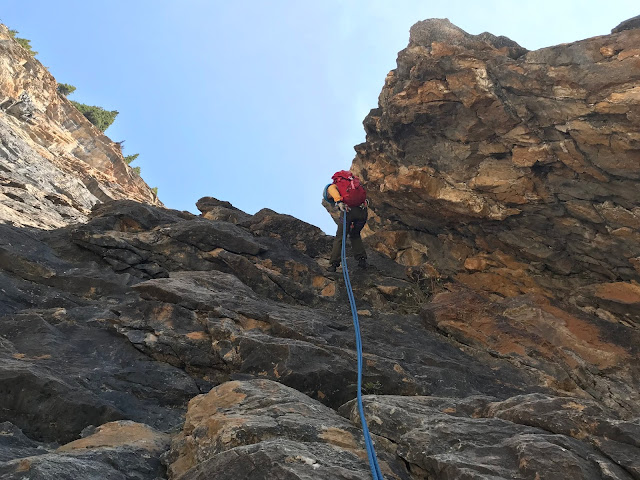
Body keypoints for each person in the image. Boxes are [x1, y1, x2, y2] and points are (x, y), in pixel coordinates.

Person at [324, 171, 369, 271]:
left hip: (348, 211)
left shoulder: (332, 187)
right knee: (355, 234)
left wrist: (339, 201)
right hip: (362, 211)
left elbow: (333, 191)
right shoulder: (351, 181)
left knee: (340, 236)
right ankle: (362, 260)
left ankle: (334, 264)